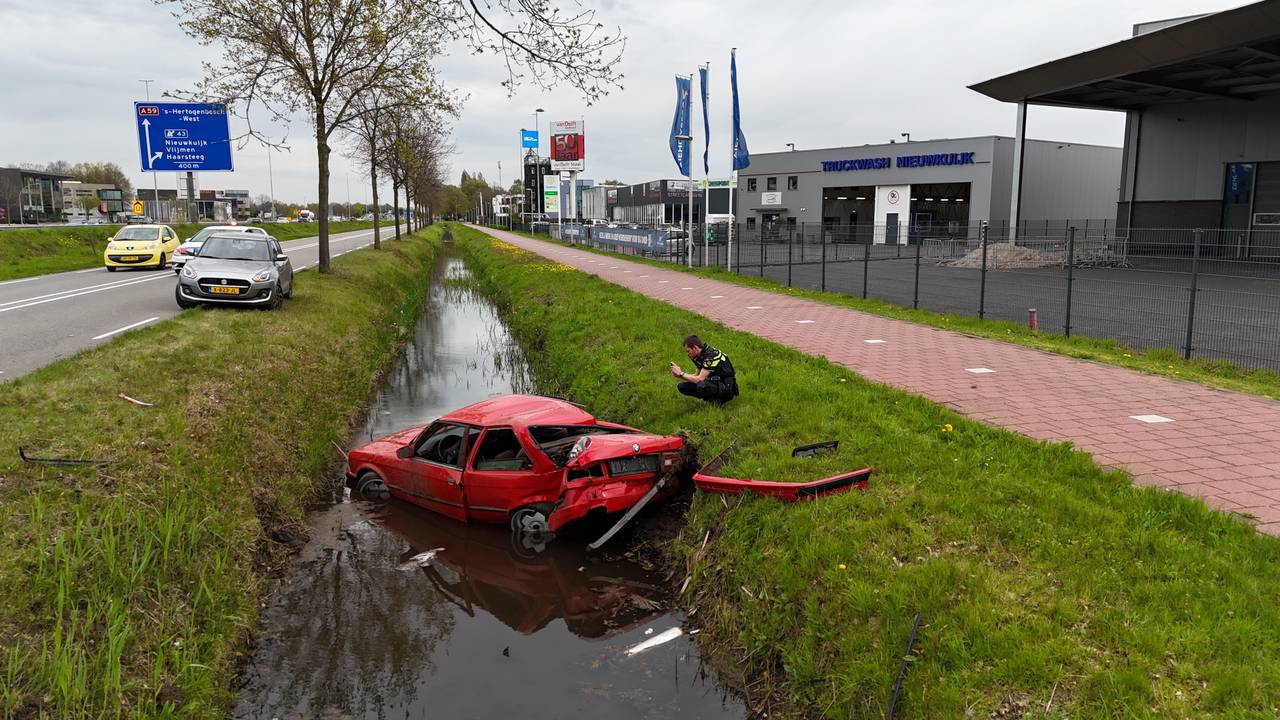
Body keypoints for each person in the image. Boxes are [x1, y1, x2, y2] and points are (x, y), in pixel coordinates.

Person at [670, 335, 739, 404]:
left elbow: (700, 379)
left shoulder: (710, 356)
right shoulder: (699, 355)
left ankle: (718, 400)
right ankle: (712, 400)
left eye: (688, 351)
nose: (688, 354)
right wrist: (679, 375)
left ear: (695, 348)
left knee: (701, 385)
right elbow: (696, 375)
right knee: (682, 387)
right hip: (716, 383)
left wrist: (681, 373)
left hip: (727, 388)